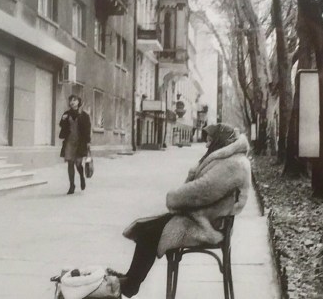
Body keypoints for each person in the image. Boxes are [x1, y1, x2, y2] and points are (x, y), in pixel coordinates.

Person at [108, 123, 251, 297]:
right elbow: (202, 191)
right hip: (202, 218)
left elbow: (202, 191)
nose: (206, 145)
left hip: (207, 227)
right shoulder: (230, 160)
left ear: (219, 142)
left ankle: (131, 283)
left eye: (209, 141)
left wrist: (174, 197)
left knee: (150, 232)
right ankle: (131, 280)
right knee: (147, 228)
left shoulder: (233, 165)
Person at [59, 95, 91, 195]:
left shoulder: (84, 115)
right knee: (70, 163)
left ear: (78, 102)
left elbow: (87, 130)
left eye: (74, 100)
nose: (72, 102)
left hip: (80, 142)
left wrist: (88, 142)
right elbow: (62, 125)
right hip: (69, 142)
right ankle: (72, 185)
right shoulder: (66, 114)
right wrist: (63, 119)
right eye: (70, 100)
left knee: (78, 163)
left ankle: (82, 177)